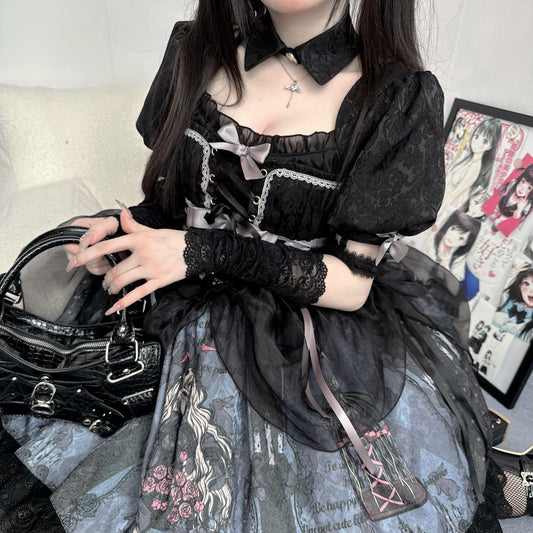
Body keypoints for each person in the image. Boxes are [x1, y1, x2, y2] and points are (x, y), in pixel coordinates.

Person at [1, 1, 532, 532]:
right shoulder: (194, 50)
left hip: (301, 330)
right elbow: (175, 204)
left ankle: (507, 480)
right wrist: (130, 229)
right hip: (175, 302)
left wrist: (202, 251)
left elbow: (351, 285)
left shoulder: (394, 96)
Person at [441, 117, 502, 217]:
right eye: (476, 136)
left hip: (445, 209)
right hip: (440, 203)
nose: (476, 142)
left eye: (484, 141)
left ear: (490, 146)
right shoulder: (467, 159)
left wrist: (436, 216)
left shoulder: (475, 167)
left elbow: (453, 195)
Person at [432, 210, 481, 280]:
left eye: (461, 238)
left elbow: (457, 278)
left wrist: (446, 266)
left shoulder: (458, 257)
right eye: (453, 229)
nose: (453, 237)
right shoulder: (432, 239)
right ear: (447, 226)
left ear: (465, 243)